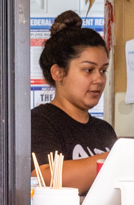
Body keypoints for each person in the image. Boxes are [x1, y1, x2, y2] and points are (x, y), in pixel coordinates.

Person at [31, 11, 117, 193]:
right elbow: (43, 177)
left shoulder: (104, 130)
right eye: (88, 70)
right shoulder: (38, 122)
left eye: (103, 70)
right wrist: (114, 159)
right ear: (58, 73)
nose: (99, 79)